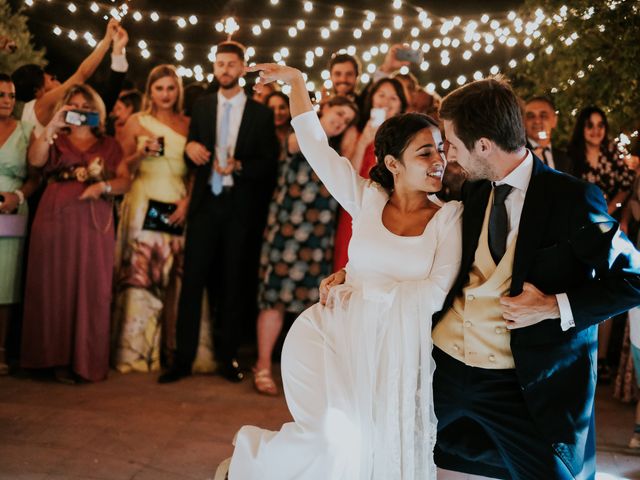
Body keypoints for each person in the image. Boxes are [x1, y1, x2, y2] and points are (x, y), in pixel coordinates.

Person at [212, 62, 460, 480]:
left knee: (353, 450)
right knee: (328, 437)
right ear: (393, 164)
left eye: (441, 149)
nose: (439, 160)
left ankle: (252, 465)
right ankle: (245, 466)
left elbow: (435, 293)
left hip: (389, 358)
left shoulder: (450, 217)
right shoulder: (366, 199)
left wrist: (357, 284)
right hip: (326, 337)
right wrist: (296, 85)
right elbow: (316, 150)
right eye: (425, 152)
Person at [429, 77, 640, 479]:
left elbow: (635, 277)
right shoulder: (473, 191)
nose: (449, 154)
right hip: (448, 369)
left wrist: (552, 306)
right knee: (391, 446)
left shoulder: (572, 199)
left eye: (453, 142)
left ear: (485, 145)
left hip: (524, 385)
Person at [158, 41, 279, 384]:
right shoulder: (202, 106)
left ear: (242, 68)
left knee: (231, 284)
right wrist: (191, 148)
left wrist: (240, 166)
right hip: (204, 206)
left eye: (230, 64)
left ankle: (227, 359)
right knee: (192, 282)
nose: (224, 69)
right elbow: (191, 153)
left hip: (239, 209)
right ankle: (182, 360)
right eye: (219, 64)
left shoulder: (261, 113)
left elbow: (268, 164)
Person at [21, 84, 130, 383]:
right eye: (75, 105)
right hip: (54, 217)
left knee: (91, 286)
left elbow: (125, 181)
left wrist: (103, 187)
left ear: (98, 111)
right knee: (52, 284)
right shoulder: (53, 138)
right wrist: (52, 127)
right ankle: (48, 357)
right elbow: (35, 161)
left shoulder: (110, 144)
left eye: (88, 106)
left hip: (94, 221)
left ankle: (83, 360)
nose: (82, 110)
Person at [253, 95, 358, 396]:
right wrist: (315, 118)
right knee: (274, 299)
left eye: (347, 119)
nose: (340, 121)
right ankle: (262, 365)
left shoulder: (337, 153)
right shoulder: (297, 137)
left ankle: (297, 373)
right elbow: (305, 140)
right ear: (323, 109)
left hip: (318, 237)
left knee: (308, 306)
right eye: (338, 113)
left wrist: (350, 135)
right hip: (286, 231)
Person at [111, 65, 190, 373]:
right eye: (160, 89)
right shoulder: (136, 122)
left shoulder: (187, 123)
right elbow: (121, 170)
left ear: (178, 91)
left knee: (173, 277)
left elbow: (197, 169)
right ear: (150, 91)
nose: (166, 94)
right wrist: (140, 154)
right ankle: (138, 351)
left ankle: (171, 347)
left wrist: (188, 200)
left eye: (171, 88)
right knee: (144, 276)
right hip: (146, 201)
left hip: (177, 201)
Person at [568, 106, 636, 383]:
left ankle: (603, 358)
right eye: (590, 125)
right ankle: (580, 353)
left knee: (606, 290)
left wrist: (611, 206)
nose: (596, 130)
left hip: (608, 228)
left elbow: (626, 184)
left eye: (600, 125)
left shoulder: (612, 155)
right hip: (578, 229)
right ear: (582, 128)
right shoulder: (571, 157)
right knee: (579, 288)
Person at [333, 77, 407, 270]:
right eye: (381, 95)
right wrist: (364, 141)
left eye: (393, 98)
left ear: (400, 105)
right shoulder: (355, 132)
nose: (386, 101)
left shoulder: (405, 138)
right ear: (372, 99)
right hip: (356, 203)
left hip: (389, 207)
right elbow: (346, 175)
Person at [12, 19, 126, 136]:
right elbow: (82, 74)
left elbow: (94, 119)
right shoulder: (40, 104)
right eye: (51, 79)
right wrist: (107, 40)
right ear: (37, 91)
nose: (56, 80)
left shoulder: (39, 112)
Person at [0, 73, 39, 375]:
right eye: (1, 95)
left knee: (7, 279)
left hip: (12, 207)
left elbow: (36, 176)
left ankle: (2, 350)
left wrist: (17, 197)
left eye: (11, 96)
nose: (7, 101)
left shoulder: (26, 130)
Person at [523, 96, 572, 173]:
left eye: (543, 116)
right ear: (524, 122)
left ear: (554, 120)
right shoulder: (517, 156)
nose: (537, 121)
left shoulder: (566, 158)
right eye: (531, 116)